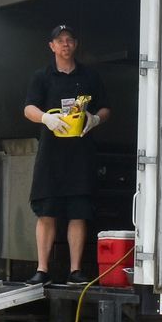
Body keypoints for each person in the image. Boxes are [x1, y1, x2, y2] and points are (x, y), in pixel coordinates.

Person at [22, 23, 112, 285]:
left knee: (78, 211)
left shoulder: (89, 77)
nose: (65, 44)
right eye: (59, 40)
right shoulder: (42, 76)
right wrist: (46, 120)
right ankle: (42, 270)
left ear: (75, 44)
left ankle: (75, 270)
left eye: (69, 39)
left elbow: (106, 108)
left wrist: (95, 119)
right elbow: (28, 108)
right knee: (47, 211)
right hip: (51, 156)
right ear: (51, 46)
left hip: (80, 155)